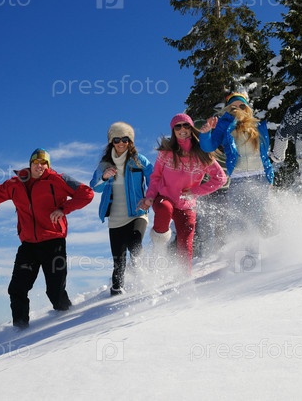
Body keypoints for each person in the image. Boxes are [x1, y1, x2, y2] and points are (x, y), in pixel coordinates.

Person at [0, 148, 94, 329]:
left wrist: (63, 209)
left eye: (44, 163)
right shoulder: (15, 183)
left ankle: (67, 324)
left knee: (55, 291)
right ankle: (20, 331)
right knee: (17, 289)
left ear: (48, 165)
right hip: (28, 245)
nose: (40, 166)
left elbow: (87, 193)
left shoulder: (59, 179)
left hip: (54, 243)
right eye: (36, 162)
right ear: (30, 164)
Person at [137, 113, 227, 273]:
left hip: (187, 204)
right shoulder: (166, 152)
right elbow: (156, 176)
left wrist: (195, 191)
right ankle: (159, 246)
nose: (182, 129)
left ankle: (185, 278)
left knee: (185, 244)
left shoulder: (202, 154)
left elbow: (220, 178)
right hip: (164, 197)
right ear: (173, 130)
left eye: (186, 125)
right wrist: (150, 197)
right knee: (165, 209)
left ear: (191, 128)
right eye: (177, 126)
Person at [199, 92, 275, 237]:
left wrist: (270, 177)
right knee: (239, 223)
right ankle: (238, 250)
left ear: (247, 108)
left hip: (259, 177)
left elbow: (264, 155)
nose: (238, 109)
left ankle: (254, 251)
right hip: (238, 178)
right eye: (233, 107)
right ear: (228, 109)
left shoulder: (257, 126)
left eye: (242, 106)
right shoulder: (224, 125)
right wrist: (205, 133)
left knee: (256, 222)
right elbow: (209, 147)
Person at [90, 122, 153, 296]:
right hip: (115, 219)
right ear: (111, 141)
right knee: (119, 262)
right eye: (116, 139)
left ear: (130, 141)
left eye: (125, 139)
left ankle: (144, 278)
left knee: (135, 245)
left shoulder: (139, 160)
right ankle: (116, 291)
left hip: (137, 213)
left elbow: (154, 179)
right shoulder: (105, 164)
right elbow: (95, 186)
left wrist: (150, 198)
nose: (121, 143)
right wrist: (104, 177)